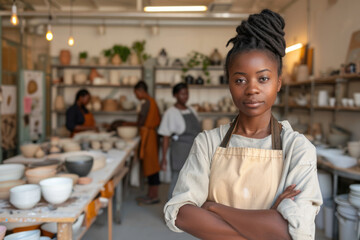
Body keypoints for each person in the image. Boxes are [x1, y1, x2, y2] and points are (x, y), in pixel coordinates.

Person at [164, 9, 322, 240]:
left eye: (263, 78)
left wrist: (214, 207)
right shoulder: (208, 143)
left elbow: (292, 233)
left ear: (279, 82)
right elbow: (181, 214)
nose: (252, 89)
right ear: (229, 84)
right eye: (240, 80)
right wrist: (268, 219)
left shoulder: (298, 149)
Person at [158, 83, 201, 199]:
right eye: (182, 94)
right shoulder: (170, 113)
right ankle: (170, 210)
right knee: (177, 180)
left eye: (186, 93)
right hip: (179, 150)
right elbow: (165, 137)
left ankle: (186, 210)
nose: (185, 96)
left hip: (194, 149)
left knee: (192, 180)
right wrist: (164, 158)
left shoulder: (191, 110)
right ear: (175, 95)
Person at [126, 81, 162, 204]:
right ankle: (151, 194)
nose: (136, 96)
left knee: (151, 166)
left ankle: (153, 196)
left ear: (141, 91)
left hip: (149, 136)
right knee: (151, 165)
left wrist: (124, 123)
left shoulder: (146, 103)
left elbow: (140, 123)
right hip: (151, 134)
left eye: (136, 93)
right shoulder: (152, 102)